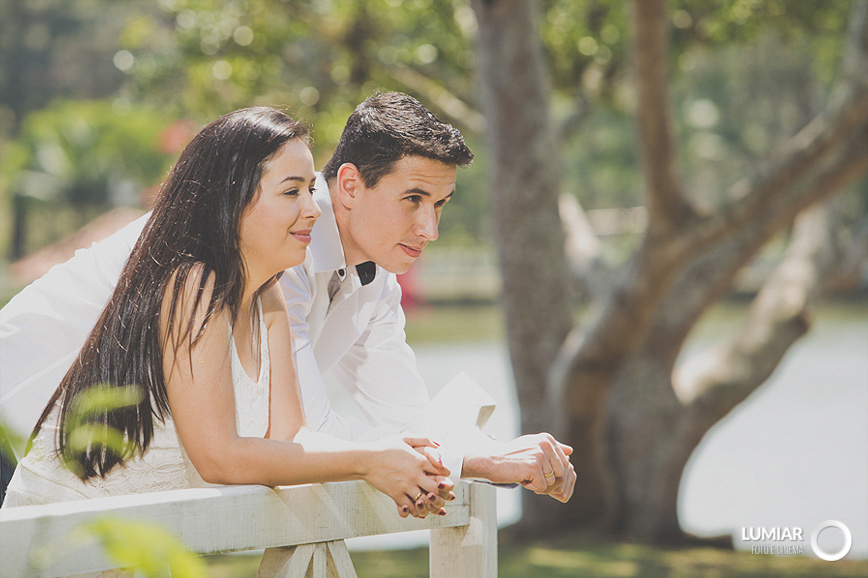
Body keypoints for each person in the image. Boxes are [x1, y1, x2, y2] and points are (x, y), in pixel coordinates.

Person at [1, 93, 575, 507]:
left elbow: (389, 419)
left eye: (440, 205)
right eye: (413, 199)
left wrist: (494, 456)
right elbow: (312, 437)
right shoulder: (257, 255)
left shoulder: (352, 279)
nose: (430, 228)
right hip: (20, 439)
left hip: (120, 487)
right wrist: (462, 461)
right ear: (349, 186)